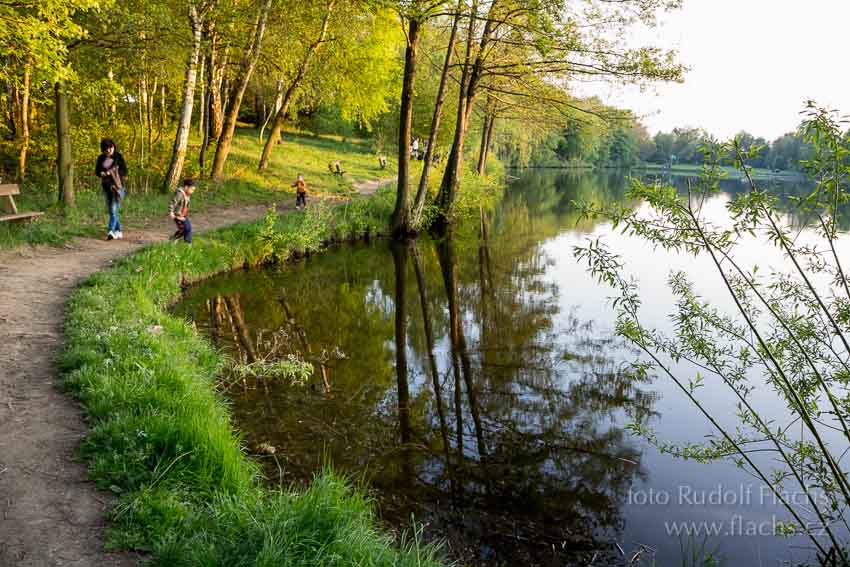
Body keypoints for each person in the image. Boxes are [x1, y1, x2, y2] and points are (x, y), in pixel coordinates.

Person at [94, 138, 127, 240]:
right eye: (106, 148)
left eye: (110, 147)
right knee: (111, 210)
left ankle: (110, 231)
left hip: (117, 186)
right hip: (106, 186)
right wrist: (102, 173)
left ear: (113, 146)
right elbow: (97, 171)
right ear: (103, 149)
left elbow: (124, 171)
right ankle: (118, 230)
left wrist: (112, 172)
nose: (108, 150)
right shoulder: (101, 158)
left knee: (113, 209)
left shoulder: (118, 157)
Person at [169, 178, 196, 244]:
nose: (193, 191)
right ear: (186, 187)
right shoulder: (179, 194)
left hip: (183, 215)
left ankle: (188, 243)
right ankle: (174, 238)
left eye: (193, 190)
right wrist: (171, 212)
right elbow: (173, 202)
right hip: (177, 215)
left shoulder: (187, 194)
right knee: (184, 229)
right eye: (192, 189)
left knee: (188, 228)